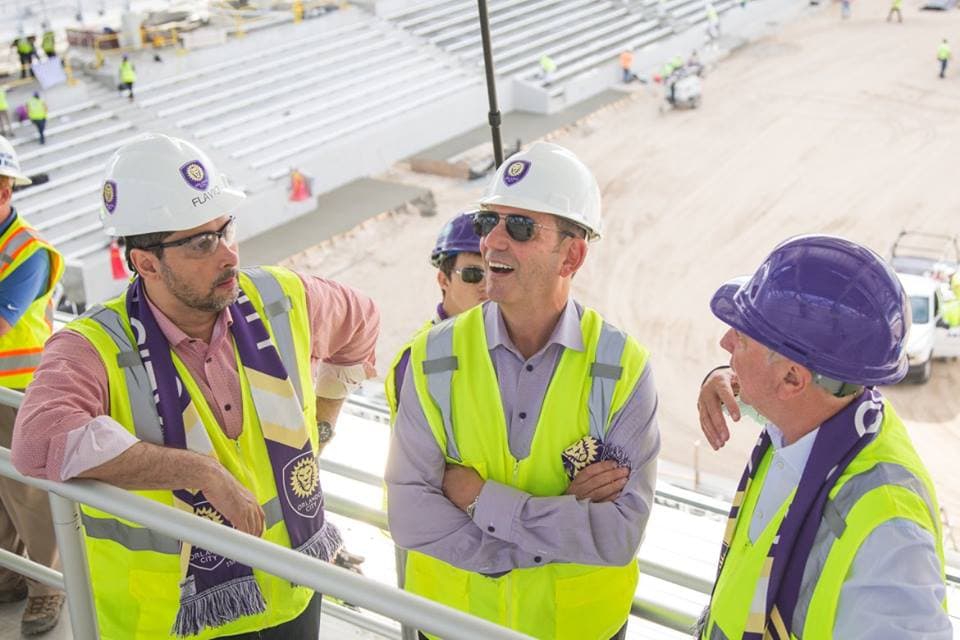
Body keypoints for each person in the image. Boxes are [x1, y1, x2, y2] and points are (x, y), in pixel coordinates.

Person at [11, 133, 380, 639]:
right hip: (166, 619)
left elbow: (361, 323)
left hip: (291, 592)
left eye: (226, 230)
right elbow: (37, 443)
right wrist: (196, 471)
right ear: (145, 262)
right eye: (202, 243)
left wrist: (325, 419)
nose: (228, 255)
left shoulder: (282, 297)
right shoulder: (91, 346)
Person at [386, 141, 660, 640]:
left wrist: (480, 499)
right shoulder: (431, 357)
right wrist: (555, 527)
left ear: (571, 255)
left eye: (520, 227)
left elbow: (618, 535)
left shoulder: (623, 367)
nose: (492, 241)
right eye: (488, 221)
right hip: (452, 627)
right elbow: (409, 516)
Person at [695, 235, 951, 639]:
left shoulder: (887, 532)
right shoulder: (821, 415)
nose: (725, 342)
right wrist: (729, 377)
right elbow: (781, 396)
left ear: (792, 378)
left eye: (742, 338)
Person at [0, 135, 67, 637]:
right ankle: (10, 572)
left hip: (18, 394)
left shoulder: (28, 252)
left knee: (27, 494)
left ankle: (49, 588)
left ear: (4, 189)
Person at [384, 211, 486, 420]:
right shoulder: (421, 357)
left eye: (497, 271)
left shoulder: (508, 342)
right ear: (443, 280)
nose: (488, 285)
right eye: (473, 274)